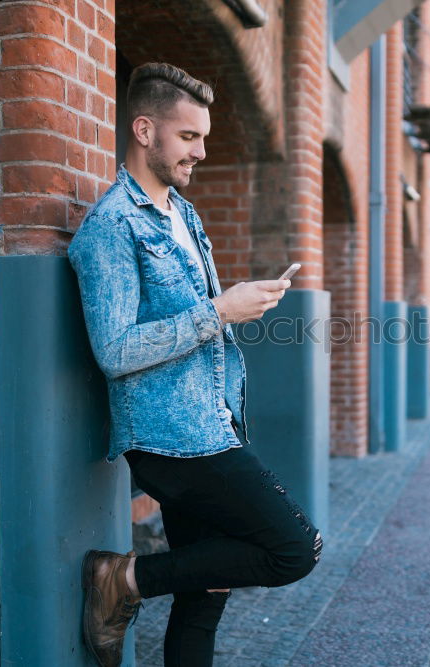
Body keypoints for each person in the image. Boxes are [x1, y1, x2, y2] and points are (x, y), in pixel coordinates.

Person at [67, 63, 322, 667]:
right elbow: (115, 351)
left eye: (204, 138)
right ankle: (123, 580)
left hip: (215, 422)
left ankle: (132, 583)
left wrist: (237, 306)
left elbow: (200, 317)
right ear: (145, 129)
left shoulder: (185, 215)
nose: (201, 152)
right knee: (295, 548)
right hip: (172, 440)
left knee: (204, 598)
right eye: (189, 137)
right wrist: (219, 310)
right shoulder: (110, 227)